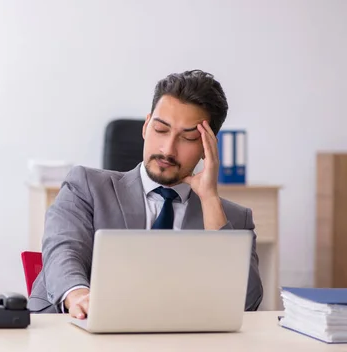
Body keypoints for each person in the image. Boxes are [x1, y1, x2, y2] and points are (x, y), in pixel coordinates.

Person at [27, 69, 263, 317]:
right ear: (146, 126)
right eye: (160, 130)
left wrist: (210, 199)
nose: (168, 149)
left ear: (208, 146)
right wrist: (79, 296)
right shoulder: (87, 186)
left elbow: (246, 302)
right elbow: (64, 251)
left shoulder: (234, 220)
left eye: (188, 138)